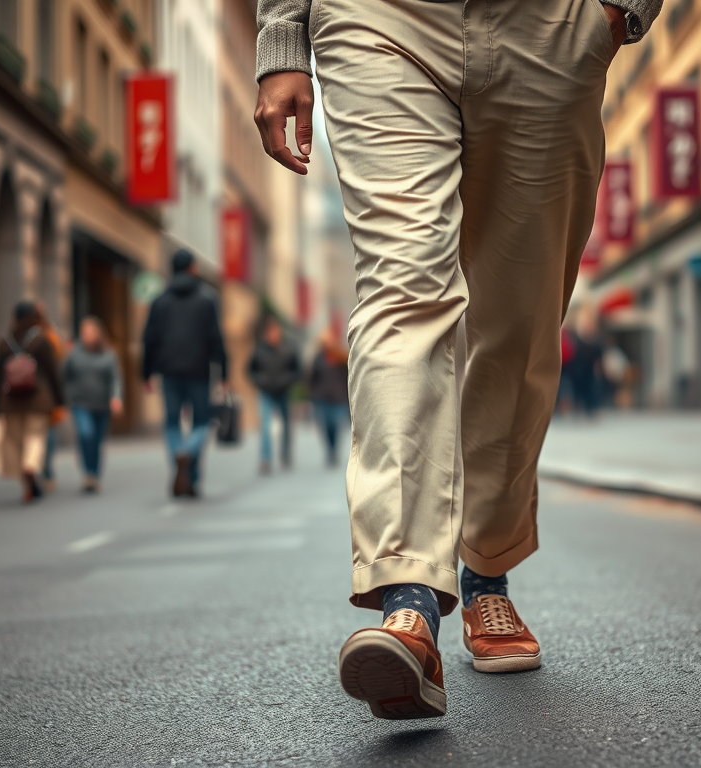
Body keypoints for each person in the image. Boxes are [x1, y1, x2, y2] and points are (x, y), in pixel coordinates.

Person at [255, 0, 663, 718]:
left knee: (518, 325)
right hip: (376, 20)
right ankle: (409, 603)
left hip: (549, 25)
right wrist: (284, 33)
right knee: (403, 289)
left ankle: (487, 571)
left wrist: (621, 11)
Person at [142, 249, 228, 498]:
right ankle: (189, 458)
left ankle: (179, 458)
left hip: (168, 370)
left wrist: (146, 373)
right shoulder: (206, 300)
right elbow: (216, 339)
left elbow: (150, 339)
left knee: (171, 422)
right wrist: (223, 372)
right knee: (202, 422)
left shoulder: (159, 301)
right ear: (191, 268)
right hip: (199, 371)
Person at [0, 301, 65, 502]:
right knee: (35, 438)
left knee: (15, 443)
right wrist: (59, 399)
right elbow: (52, 371)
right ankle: (31, 467)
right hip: (38, 400)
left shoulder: (4, 341)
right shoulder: (41, 340)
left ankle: (26, 483)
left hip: (9, 402)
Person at [62, 316, 124, 493]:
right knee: (85, 434)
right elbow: (64, 375)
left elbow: (115, 378)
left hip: (102, 404)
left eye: (91, 332)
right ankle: (87, 473)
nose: (87, 336)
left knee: (97, 440)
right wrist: (66, 396)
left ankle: (94, 474)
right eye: (84, 332)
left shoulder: (108, 354)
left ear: (98, 334)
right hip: (80, 403)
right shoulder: (74, 353)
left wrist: (116, 397)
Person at [248, 315, 301, 474]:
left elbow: (297, 370)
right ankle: (265, 459)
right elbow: (250, 370)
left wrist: (288, 380)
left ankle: (285, 453)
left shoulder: (288, 347)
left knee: (286, 425)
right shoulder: (259, 349)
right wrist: (259, 380)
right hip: (266, 391)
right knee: (265, 425)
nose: (274, 335)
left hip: (283, 391)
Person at [308, 327, 349, 467]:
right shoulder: (318, 358)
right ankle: (330, 450)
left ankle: (334, 449)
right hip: (322, 399)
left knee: (336, 426)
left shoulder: (342, 357)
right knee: (325, 427)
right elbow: (311, 377)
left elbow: (350, 375)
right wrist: (312, 395)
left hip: (339, 398)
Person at [36, 301, 66, 493]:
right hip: (40, 394)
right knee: (44, 434)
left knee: (45, 434)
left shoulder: (50, 336)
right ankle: (42, 469)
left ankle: (43, 468)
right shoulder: (48, 336)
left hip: (37, 395)